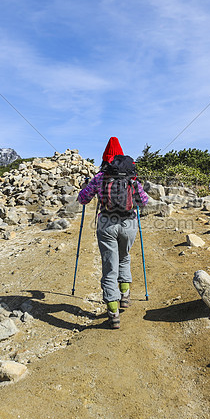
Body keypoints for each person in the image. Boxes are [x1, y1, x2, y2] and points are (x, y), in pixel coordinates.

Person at [78, 137, 149, 329]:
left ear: (105, 157)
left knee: (110, 265)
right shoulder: (131, 176)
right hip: (129, 223)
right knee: (124, 257)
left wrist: (85, 186)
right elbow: (143, 201)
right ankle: (125, 295)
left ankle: (113, 312)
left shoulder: (100, 177)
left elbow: (82, 199)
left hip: (107, 224)